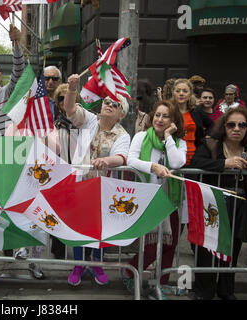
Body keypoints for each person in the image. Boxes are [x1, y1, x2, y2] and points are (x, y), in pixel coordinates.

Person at [62, 74, 131, 286]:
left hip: (104, 187)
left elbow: (122, 157)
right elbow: (70, 110)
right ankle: (78, 264)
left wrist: (106, 161)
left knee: (98, 227)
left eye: (115, 104)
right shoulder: (90, 120)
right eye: (107, 102)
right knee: (78, 225)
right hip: (81, 183)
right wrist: (72, 89)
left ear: (121, 114)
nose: (109, 105)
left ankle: (96, 263)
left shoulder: (122, 135)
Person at [190, 107, 247, 300]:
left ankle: (226, 290)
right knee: (208, 249)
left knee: (233, 249)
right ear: (224, 126)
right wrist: (224, 164)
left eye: (242, 125)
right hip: (212, 205)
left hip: (239, 206)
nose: (236, 129)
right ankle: (204, 291)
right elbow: (195, 163)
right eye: (231, 124)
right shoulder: (211, 144)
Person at [125, 100, 187, 300]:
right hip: (147, 199)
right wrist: (153, 166)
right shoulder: (141, 137)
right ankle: (129, 272)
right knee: (151, 245)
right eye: (158, 115)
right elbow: (131, 160)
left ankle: (160, 285)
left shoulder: (179, 143)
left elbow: (177, 162)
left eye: (166, 116)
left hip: (170, 200)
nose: (160, 120)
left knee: (171, 243)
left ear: (173, 120)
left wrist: (169, 137)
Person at [170, 79, 213, 166]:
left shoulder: (196, 111)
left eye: (185, 91)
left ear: (190, 94)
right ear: (173, 93)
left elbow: (212, 124)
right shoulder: (169, 111)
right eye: (178, 91)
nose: (181, 93)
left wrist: (205, 139)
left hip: (193, 158)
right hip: (173, 158)